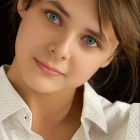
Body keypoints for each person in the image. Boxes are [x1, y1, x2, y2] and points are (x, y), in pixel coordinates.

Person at [0, 0, 139, 140]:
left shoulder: (131, 128)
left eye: (90, 40)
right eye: (53, 17)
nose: (61, 50)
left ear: (109, 57)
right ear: (24, 3)